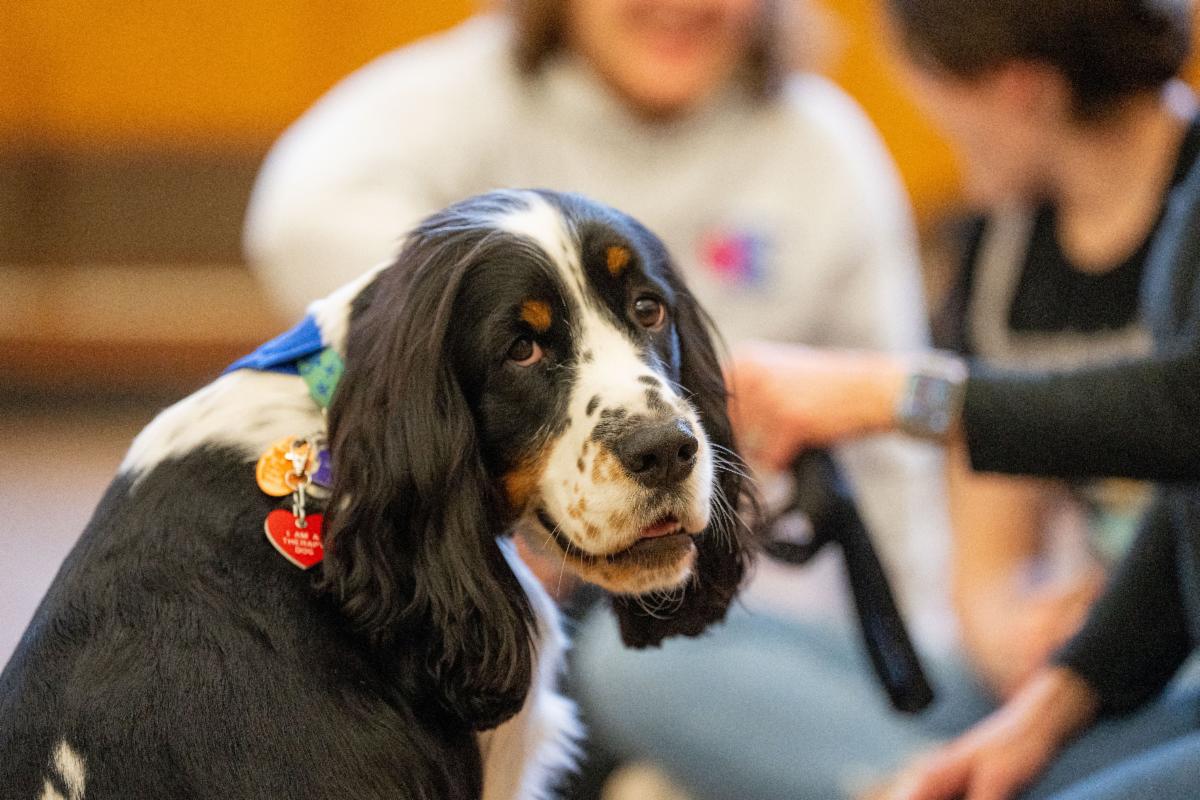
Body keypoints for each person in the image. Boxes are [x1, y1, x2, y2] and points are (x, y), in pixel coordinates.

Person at [243, 2, 946, 797]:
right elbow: (292, 220)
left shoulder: (823, 146)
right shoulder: (468, 91)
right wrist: (490, 427)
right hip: (495, 571)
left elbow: (892, 450)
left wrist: (917, 646)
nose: (682, 7)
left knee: (652, 683)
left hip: (726, 587)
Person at [729, 2, 1200, 798]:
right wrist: (1044, 684)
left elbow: (1181, 412)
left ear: (1019, 88)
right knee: (632, 664)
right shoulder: (1002, 246)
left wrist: (882, 393)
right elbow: (1174, 493)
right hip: (1117, 661)